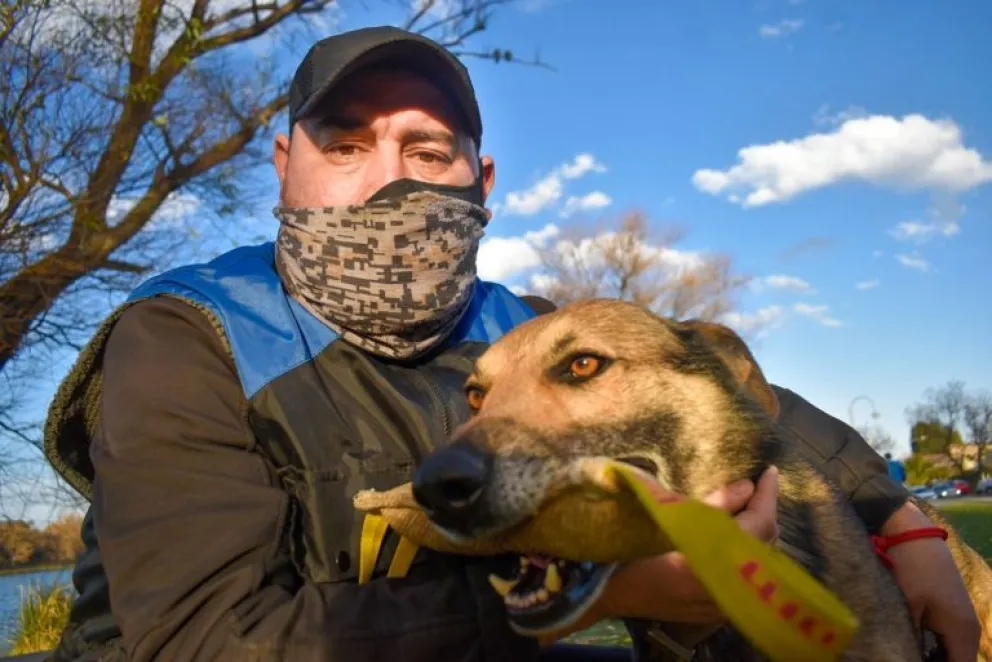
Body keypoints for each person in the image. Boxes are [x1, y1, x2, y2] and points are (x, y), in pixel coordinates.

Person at [40, 25, 978, 662]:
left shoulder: (519, 323)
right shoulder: (186, 336)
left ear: (479, 180)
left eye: (427, 150)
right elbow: (206, 639)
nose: (385, 186)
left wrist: (911, 524)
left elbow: (732, 395)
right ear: (285, 166)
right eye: (344, 145)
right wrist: (614, 595)